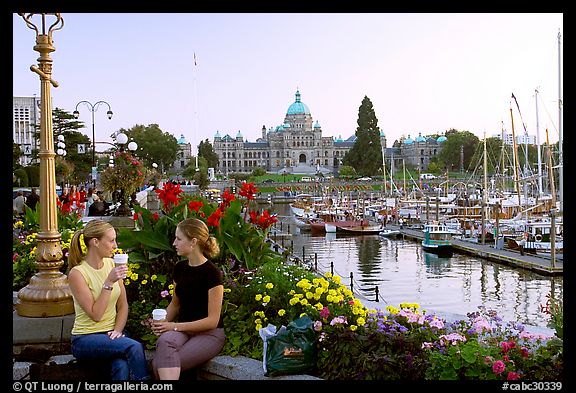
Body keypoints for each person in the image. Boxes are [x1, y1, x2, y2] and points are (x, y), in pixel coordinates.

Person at [67, 220, 150, 381]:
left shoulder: (111, 264)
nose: (115, 245)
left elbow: (123, 305)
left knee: (121, 366)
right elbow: (96, 315)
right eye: (111, 240)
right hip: (85, 338)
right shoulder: (77, 273)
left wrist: (118, 331)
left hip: (111, 334)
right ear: (95, 242)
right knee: (134, 346)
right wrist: (108, 282)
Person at [151, 217, 225, 380]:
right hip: (184, 332)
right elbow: (175, 305)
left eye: (178, 239)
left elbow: (213, 320)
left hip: (209, 334)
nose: (174, 243)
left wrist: (174, 326)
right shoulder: (180, 268)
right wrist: (161, 323)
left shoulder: (212, 273)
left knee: (160, 365)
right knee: (164, 343)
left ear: (193, 242)